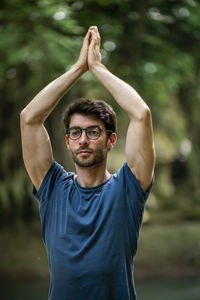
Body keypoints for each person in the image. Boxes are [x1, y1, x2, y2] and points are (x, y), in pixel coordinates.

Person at [20, 26, 155, 300]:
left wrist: (97, 68)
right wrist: (78, 68)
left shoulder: (128, 189)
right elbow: (29, 118)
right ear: (68, 141)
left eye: (93, 132)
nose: (83, 140)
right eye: (75, 132)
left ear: (111, 140)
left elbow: (141, 113)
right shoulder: (53, 188)